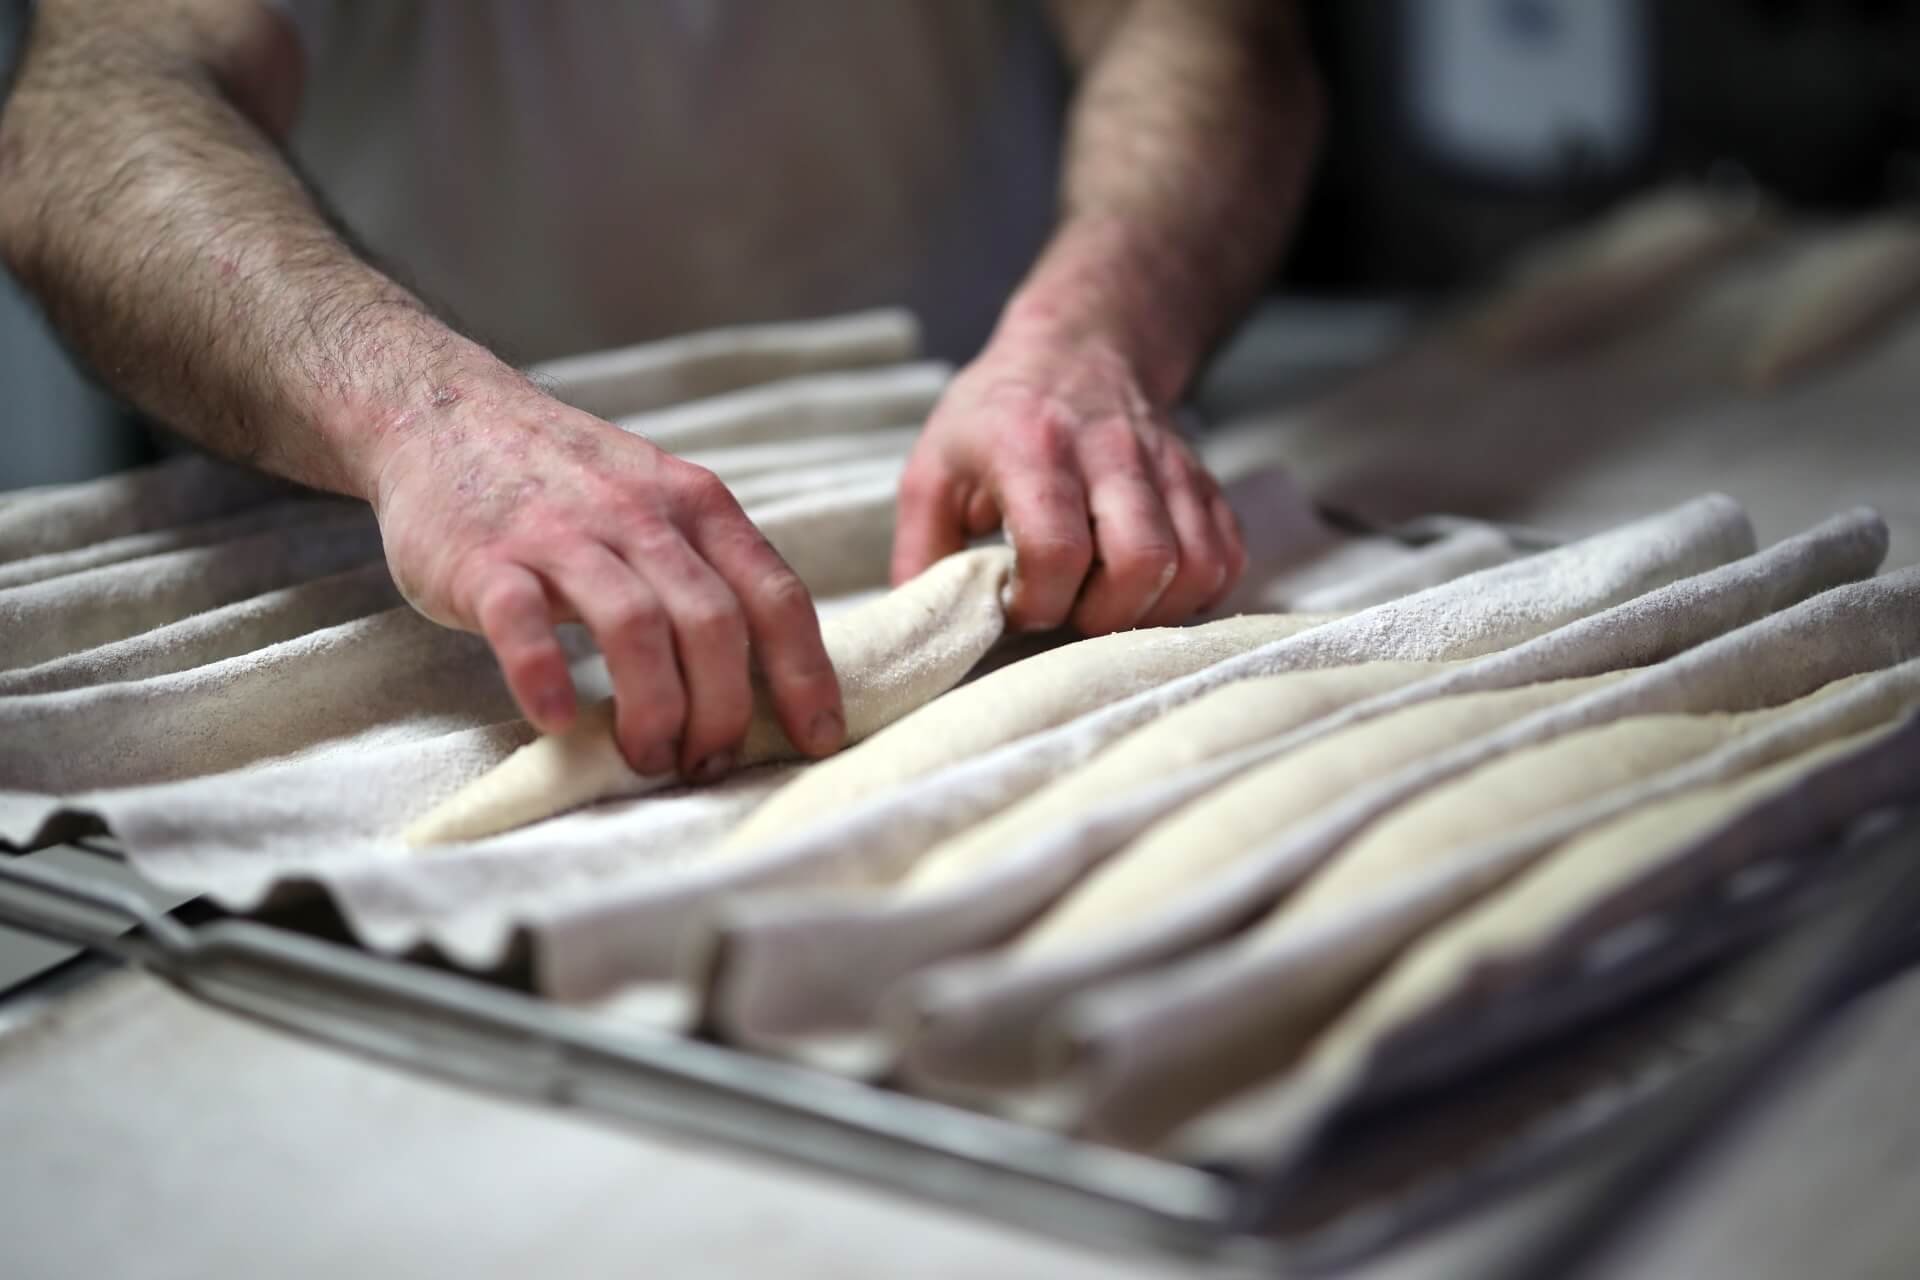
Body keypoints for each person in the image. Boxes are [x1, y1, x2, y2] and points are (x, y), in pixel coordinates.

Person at [0, 0, 1322, 781]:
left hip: (990, 468)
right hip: (401, 524)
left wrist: (1095, 330)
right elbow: (100, 102)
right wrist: (427, 423)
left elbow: (1202, 27)